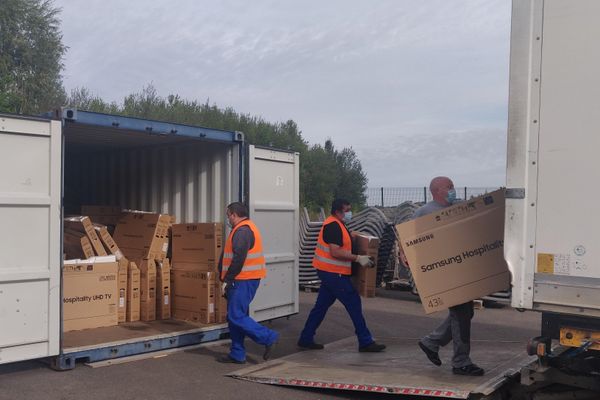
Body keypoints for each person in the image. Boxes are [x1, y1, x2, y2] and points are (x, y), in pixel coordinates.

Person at [406, 176, 485, 376]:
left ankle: (431, 342)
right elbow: (412, 242)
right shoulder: (424, 212)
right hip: (444, 272)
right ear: (437, 190)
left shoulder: (458, 208)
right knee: (460, 316)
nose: (453, 190)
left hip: (461, 269)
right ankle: (460, 362)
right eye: (449, 187)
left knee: (466, 313)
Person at [297, 198, 386, 353]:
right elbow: (335, 251)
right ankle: (365, 341)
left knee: (321, 307)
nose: (349, 213)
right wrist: (359, 258)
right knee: (354, 304)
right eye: (347, 210)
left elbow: (343, 240)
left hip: (329, 273)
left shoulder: (337, 224)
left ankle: (306, 338)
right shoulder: (333, 226)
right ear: (338, 211)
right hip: (334, 274)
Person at [217, 202, 279, 364]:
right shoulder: (242, 229)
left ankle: (268, 337)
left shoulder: (243, 231)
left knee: (235, 315)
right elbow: (229, 256)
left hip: (243, 280)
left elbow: (238, 259)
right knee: (235, 317)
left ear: (234, 215)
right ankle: (237, 353)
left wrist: (228, 279)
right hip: (241, 279)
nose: (228, 219)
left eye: (228, 215)